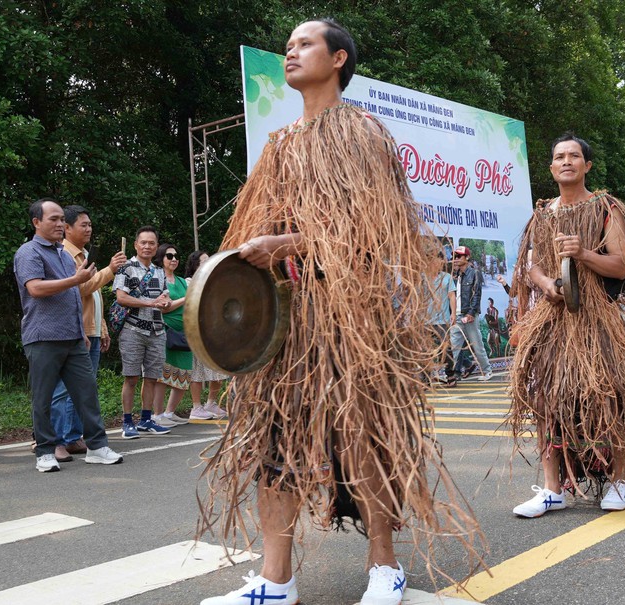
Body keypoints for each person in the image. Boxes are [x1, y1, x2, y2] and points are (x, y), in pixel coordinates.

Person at [198, 20, 481, 605]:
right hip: (287, 327)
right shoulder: (281, 147)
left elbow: (378, 231)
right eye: (287, 47)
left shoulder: (363, 133)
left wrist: (290, 244)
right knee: (274, 445)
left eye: (304, 44)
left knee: (362, 438)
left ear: (338, 58)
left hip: (352, 322)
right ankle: (276, 581)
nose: (291, 53)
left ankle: (385, 567)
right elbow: (261, 229)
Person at [508, 134, 625, 518]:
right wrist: (548, 286)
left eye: (575, 156)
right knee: (546, 401)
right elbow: (533, 265)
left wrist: (583, 254)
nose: (567, 161)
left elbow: (621, 265)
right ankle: (553, 489)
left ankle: (620, 480)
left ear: (587, 166)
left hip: (598, 319)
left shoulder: (606, 208)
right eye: (559, 156)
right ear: (552, 167)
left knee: (608, 396)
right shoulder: (543, 214)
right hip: (554, 321)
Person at [13, 198, 123, 472]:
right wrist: (76, 280)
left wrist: (80, 331)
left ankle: (97, 447)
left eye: (62, 219)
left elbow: (74, 296)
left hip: (74, 338)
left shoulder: (64, 254)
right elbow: (36, 288)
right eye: (54, 219)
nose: (60, 224)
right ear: (36, 222)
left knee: (87, 394)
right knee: (44, 397)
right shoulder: (29, 252)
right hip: (43, 337)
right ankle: (45, 452)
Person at [48, 204, 127, 461]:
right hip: (72, 331)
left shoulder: (83, 255)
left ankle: (72, 437)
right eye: (84, 225)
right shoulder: (63, 255)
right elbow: (79, 288)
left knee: (83, 388)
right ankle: (56, 440)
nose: (89, 229)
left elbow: (93, 295)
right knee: (63, 388)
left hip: (89, 330)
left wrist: (101, 328)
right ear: (67, 228)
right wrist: (110, 270)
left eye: (90, 224)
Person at [113, 226, 172, 438]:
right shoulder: (125, 268)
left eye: (152, 243)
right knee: (131, 377)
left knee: (152, 378)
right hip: (133, 329)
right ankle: (127, 422)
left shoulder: (159, 271)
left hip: (157, 330)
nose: (147, 246)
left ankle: (146, 419)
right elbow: (121, 297)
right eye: (143, 243)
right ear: (136, 245)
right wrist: (151, 303)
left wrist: (165, 303)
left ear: (157, 247)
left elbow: (164, 299)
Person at [184, 250, 229, 420]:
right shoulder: (189, 282)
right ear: (195, 265)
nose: (208, 263)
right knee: (197, 370)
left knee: (216, 368)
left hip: (214, 330)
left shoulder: (213, 281)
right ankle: (196, 407)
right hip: (196, 331)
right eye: (204, 261)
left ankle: (211, 403)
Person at [153, 243, 191, 427]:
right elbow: (165, 307)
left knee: (184, 373)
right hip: (166, 331)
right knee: (163, 374)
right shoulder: (158, 279)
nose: (174, 259)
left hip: (184, 333)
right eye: (169, 256)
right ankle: (157, 414)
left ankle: (170, 412)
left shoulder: (183, 281)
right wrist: (187, 298)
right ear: (161, 259)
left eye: (176, 256)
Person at [448, 245, 494, 382]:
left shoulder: (474, 273)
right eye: (454, 257)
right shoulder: (456, 276)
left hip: (469, 316)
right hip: (457, 315)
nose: (455, 259)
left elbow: (476, 294)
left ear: (467, 258)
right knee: (454, 347)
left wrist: (471, 313)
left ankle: (487, 371)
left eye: (459, 256)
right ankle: (451, 373)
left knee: (477, 345)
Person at [427, 248, 457, 386]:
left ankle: (450, 375)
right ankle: (425, 379)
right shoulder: (422, 277)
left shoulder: (447, 277)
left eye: (440, 260)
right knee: (425, 351)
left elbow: (452, 296)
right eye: (435, 260)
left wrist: (453, 313)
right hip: (425, 321)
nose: (438, 263)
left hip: (442, 320)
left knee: (446, 349)